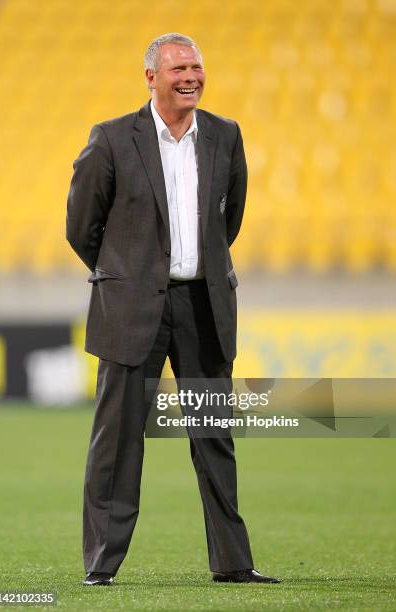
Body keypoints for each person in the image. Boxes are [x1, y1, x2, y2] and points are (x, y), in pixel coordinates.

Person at [66, 32, 281, 587]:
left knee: (214, 436)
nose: (191, 76)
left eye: (197, 66)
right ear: (151, 77)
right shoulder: (112, 138)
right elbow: (81, 226)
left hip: (202, 305)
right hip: (131, 306)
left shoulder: (225, 136)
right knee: (117, 441)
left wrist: (193, 265)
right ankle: (101, 565)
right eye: (179, 67)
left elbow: (228, 222)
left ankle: (234, 563)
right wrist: (128, 274)